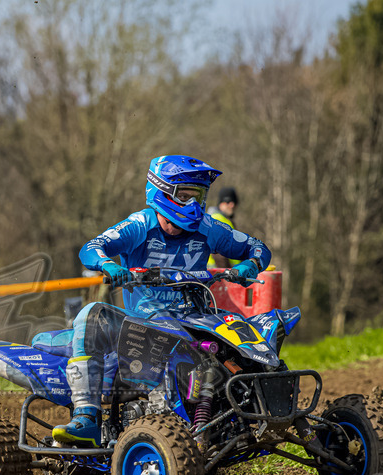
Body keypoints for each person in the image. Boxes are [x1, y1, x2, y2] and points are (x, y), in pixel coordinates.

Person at [52, 155, 271, 447]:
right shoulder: (139, 225)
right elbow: (92, 247)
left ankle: (258, 412)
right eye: (184, 196)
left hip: (195, 319)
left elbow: (258, 247)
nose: (193, 205)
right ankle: (86, 418)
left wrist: (250, 265)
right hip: (142, 322)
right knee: (91, 314)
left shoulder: (208, 227)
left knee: (250, 338)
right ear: (162, 192)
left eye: (198, 196)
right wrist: (108, 265)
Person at [207, 186, 241, 269]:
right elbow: (218, 253)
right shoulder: (216, 220)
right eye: (228, 202)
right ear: (221, 203)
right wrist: (228, 273)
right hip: (218, 271)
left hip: (229, 271)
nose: (232, 205)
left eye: (234, 202)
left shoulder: (227, 221)